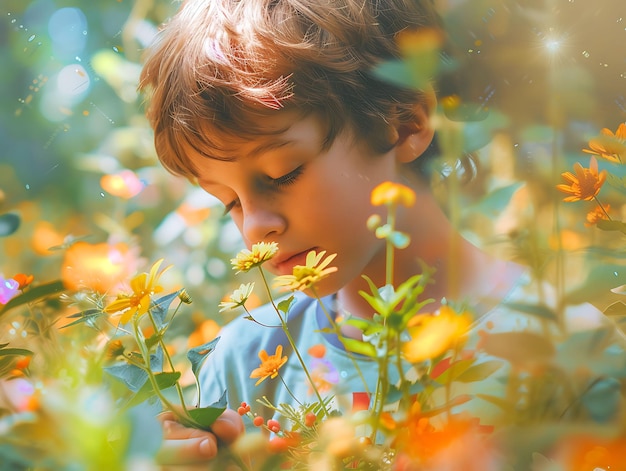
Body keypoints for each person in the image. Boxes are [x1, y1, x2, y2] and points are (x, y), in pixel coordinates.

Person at [138, 0, 626, 467]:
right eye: (229, 204)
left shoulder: (570, 353)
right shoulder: (244, 364)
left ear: (403, 123)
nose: (255, 228)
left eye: (282, 173)